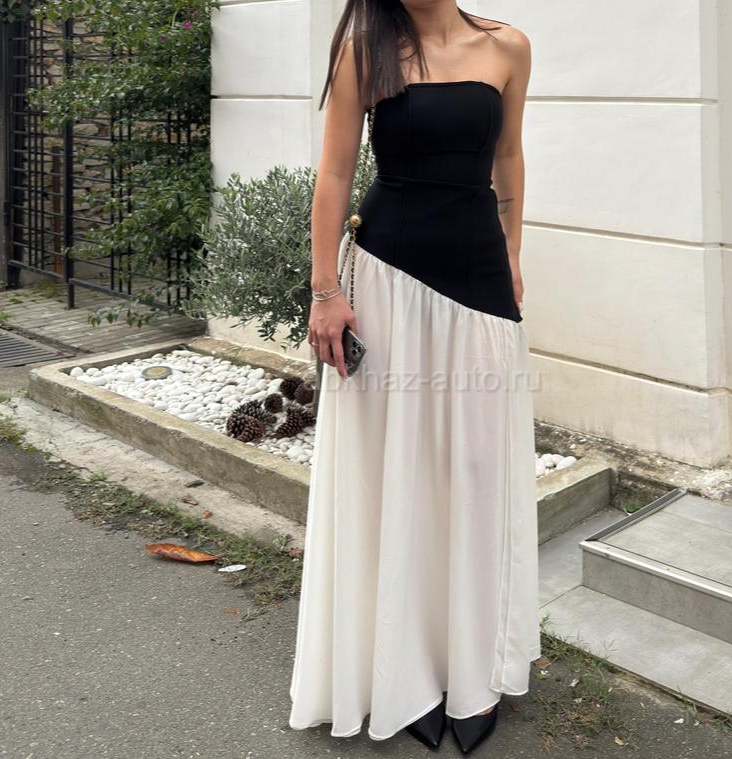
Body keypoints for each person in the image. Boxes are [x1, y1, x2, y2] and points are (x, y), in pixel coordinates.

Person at [288, 1, 539, 754]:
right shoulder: (366, 47)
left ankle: (470, 667)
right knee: (395, 470)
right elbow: (335, 170)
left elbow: (509, 156)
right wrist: (325, 291)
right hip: (387, 279)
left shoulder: (508, 47)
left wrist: (513, 252)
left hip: (479, 278)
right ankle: (403, 668)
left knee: (474, 470)